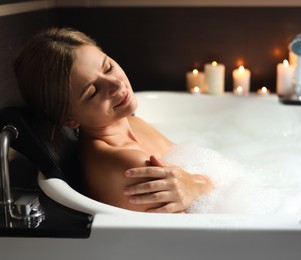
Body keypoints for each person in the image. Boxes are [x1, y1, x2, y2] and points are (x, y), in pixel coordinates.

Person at [14, 27, 212, 213]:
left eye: (108, 68)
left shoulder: (133, 123)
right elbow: (196, 237)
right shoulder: (128, 166)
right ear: (69, 119)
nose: (116, 84)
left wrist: (196, 184)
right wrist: (198, 184)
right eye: (92, 91)